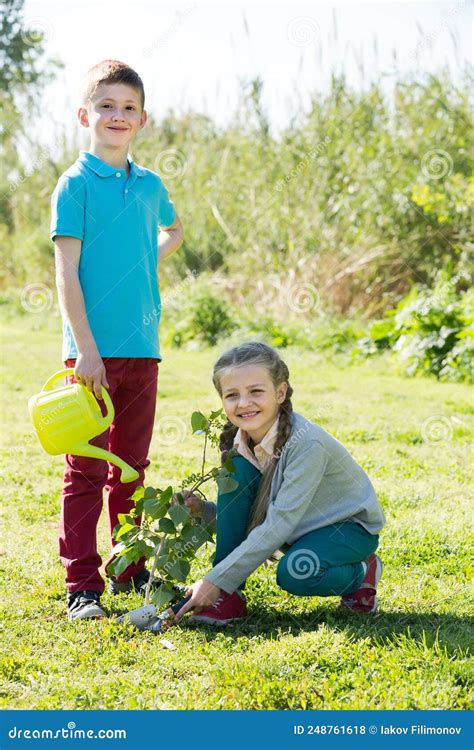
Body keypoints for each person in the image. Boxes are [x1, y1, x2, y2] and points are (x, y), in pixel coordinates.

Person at [51, 60, 184, 619]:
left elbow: (174, 229)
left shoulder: (152, 185)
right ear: (86, 114)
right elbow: (66, 272)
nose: (117, 115)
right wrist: (86, 351)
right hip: (90, 354)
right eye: (106, 105)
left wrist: (143, 262)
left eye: (129, 107)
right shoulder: (75, 184)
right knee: (86, 470)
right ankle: (82, 586)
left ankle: (129, 569)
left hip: (143, 351)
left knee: (131, 469)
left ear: (143, 119)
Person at [175, 342, 386, 625]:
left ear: (280, 392)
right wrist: (204, 511)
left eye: (256, 392)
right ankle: (230, 595)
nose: (244, 403)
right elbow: (243, 521)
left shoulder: (306, 444)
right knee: (234, 469)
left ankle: (362, 572)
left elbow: (280, 523)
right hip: (297, 529)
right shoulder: (241, 444)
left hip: (346, 529)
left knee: (296, 573)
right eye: (232, 395)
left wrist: (214, 581)